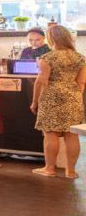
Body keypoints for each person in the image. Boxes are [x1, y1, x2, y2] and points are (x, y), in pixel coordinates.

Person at [31, 24, 86, 179]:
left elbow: (41, 81)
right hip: (73, 97)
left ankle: (50, 169)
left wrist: (35, 102)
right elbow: (82, 82)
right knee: (72, 134)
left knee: (50, 133)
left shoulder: (47, 58)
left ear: (51, 39)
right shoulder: (80, 58)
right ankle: (71, 171)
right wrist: (75, 97)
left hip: (51, 97)